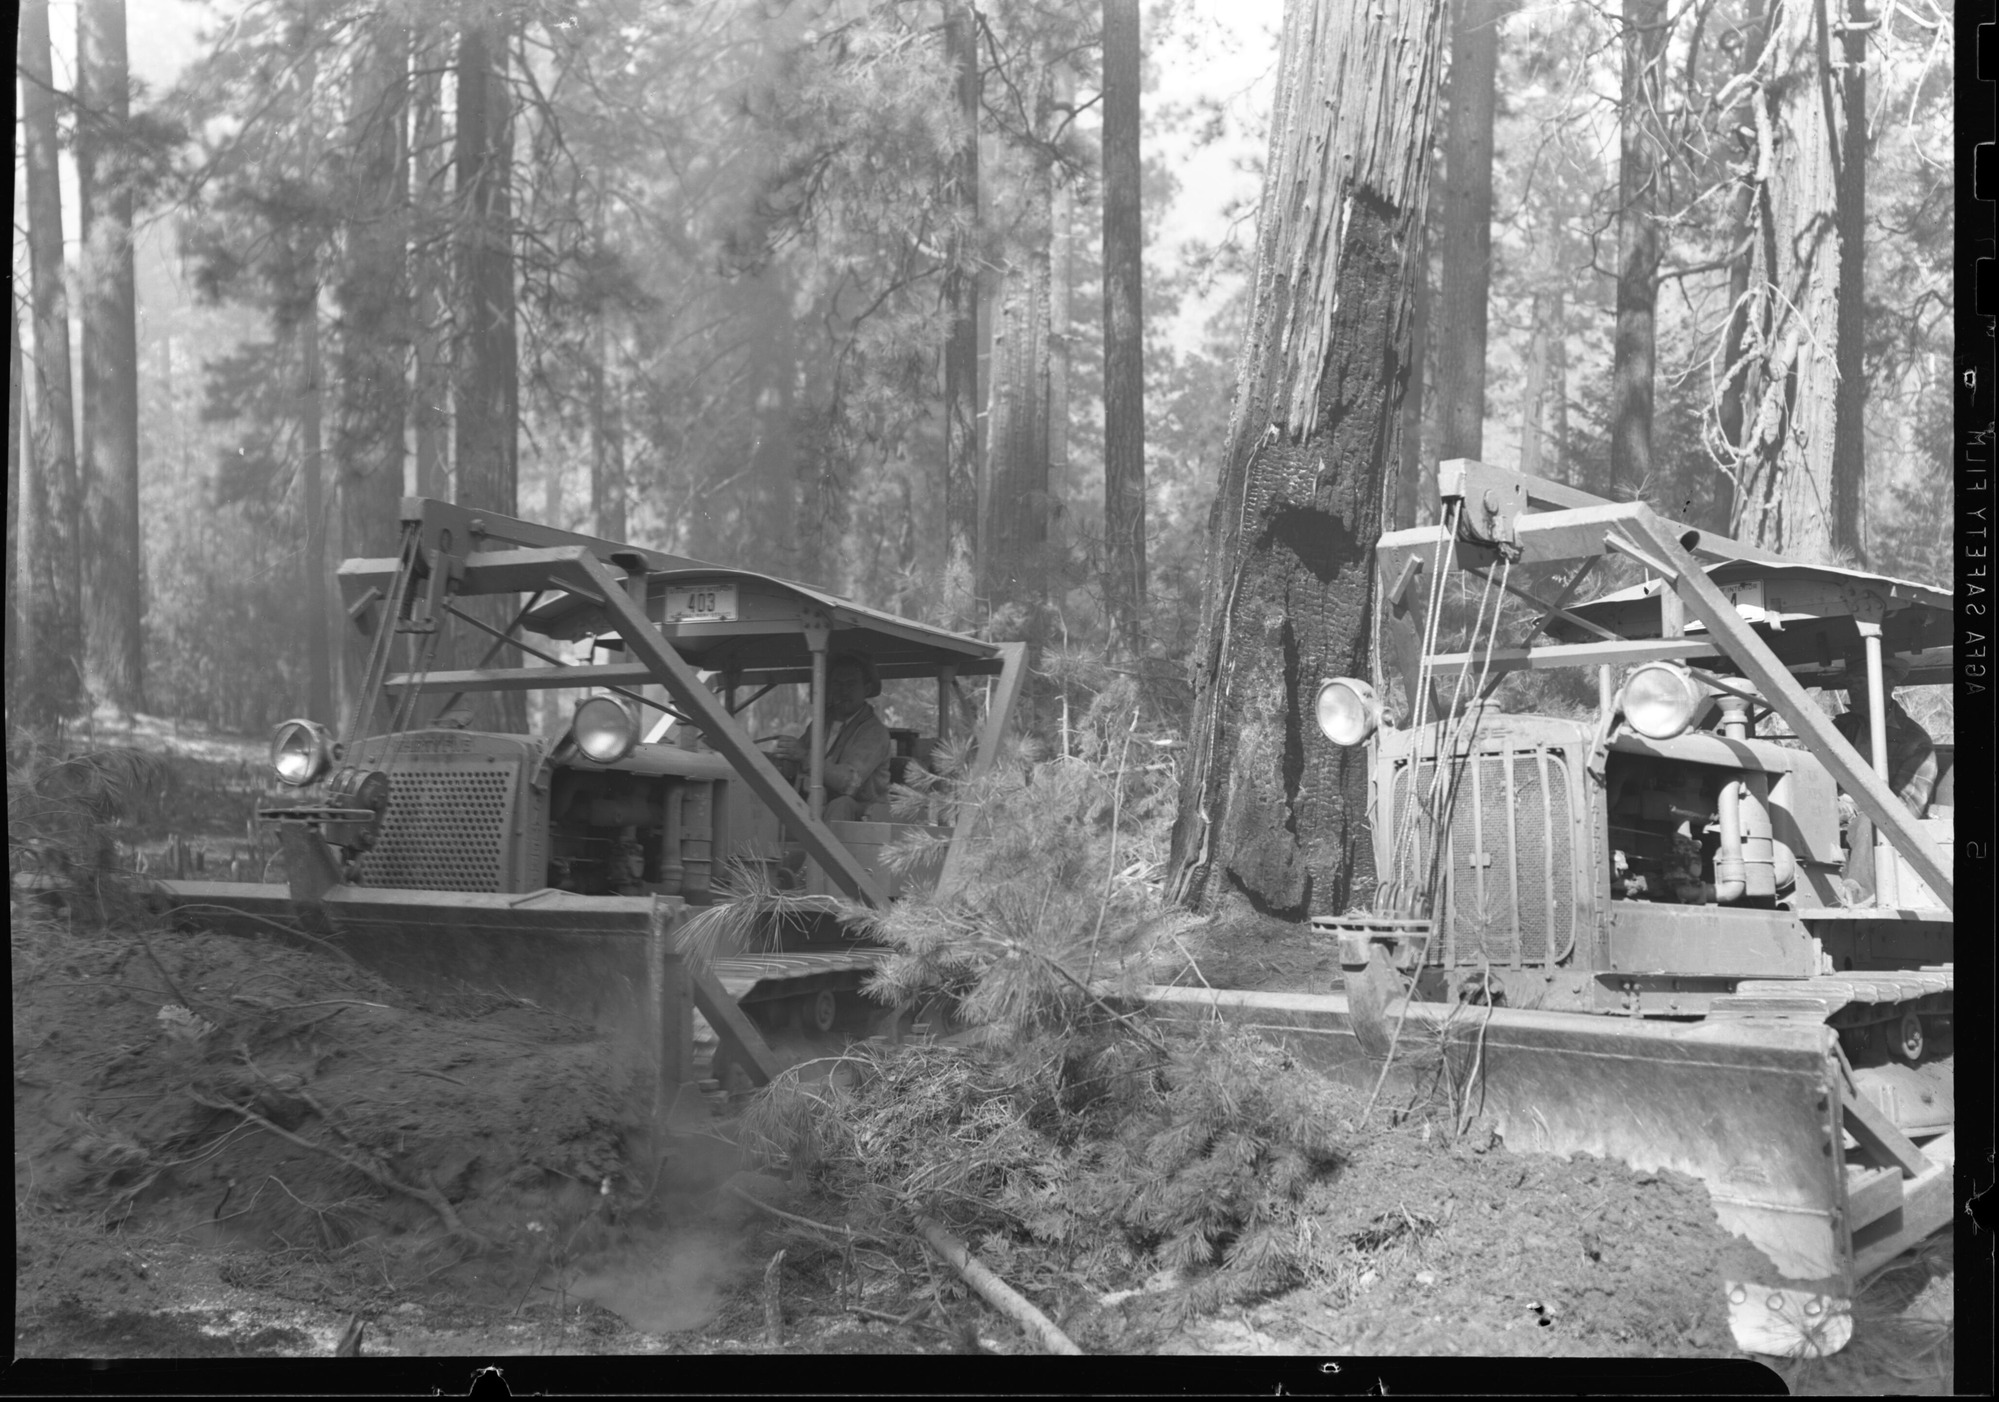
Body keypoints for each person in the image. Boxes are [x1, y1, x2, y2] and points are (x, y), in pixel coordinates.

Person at [1830, 654, 1937, 901]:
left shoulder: (1915, 742)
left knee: (1871, 823)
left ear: (1888, 686)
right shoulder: (1842, 728)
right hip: (1833, 811)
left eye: (1861, 682)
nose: (1853, 690)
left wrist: (1852, 808)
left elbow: (1905, 808)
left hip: (1872, 822)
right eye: (1851, 683)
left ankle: (1856, 895)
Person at [769, 651, 892, 821]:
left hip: (862, 816)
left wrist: (804, 756)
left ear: (867, 689)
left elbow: (849, 783)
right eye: (837, 684)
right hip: (819, 806)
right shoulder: (823, 722)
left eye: (851, 684)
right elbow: (799, 760)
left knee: (841, 805)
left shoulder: (874, 732)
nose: (843, 691)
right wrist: (782, 757)